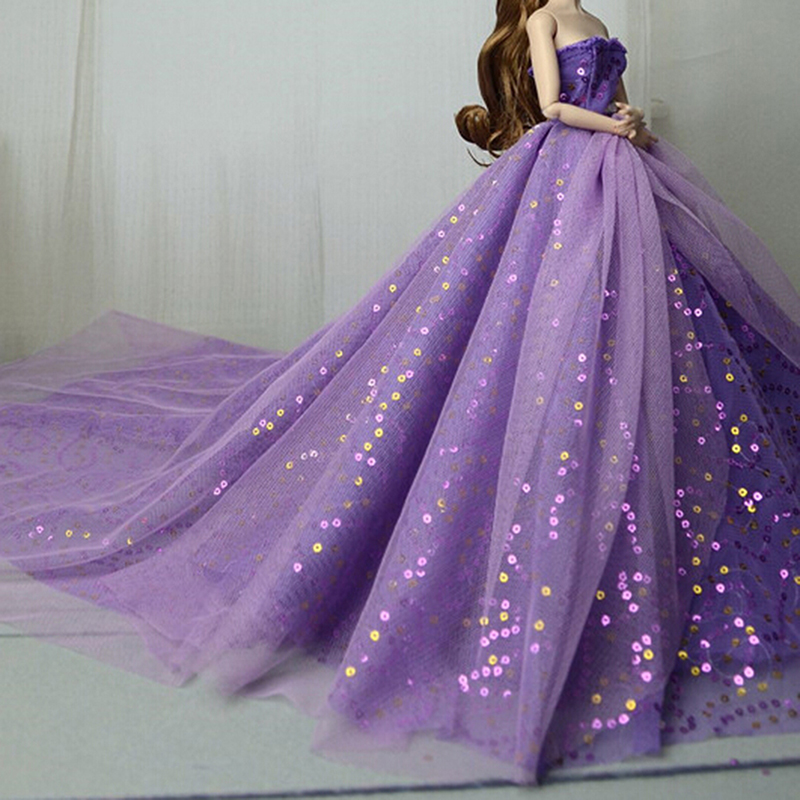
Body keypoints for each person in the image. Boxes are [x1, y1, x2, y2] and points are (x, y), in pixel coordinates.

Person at [0, 0, 798, 785]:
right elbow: (555, 106)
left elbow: (603, 94)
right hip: (569, 174)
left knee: (652, 322)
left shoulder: (587, 17)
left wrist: (629, 120)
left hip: (624, 174)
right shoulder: (544, 22)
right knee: (533, 315)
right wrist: (609, 127)